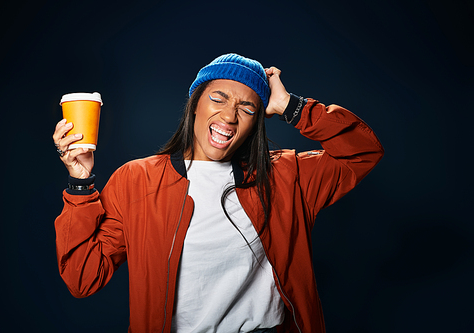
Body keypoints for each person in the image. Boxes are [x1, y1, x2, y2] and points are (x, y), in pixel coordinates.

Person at [53, 53, 384, 333]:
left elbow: (362, 151)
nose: (228, 116)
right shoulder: (137, 180)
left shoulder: (285, 175)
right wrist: (80, 184)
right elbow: (83, 278)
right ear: (195, 103)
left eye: (247, 108)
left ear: (257, 121)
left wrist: (289, 106)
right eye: (218, 98)